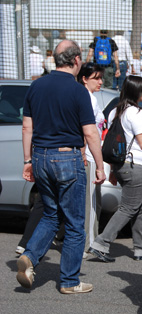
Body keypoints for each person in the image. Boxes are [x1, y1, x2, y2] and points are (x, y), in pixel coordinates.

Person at [16, 40, 106, 294]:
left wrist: (27, 160)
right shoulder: (78, 91)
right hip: (68, 157)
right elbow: (90, 132)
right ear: (77, 60)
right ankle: (69, 280)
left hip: (41, 157)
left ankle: (30, 257)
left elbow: (27, 127)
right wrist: (99, 165)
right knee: (76, 222)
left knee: (50, 214)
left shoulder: (36, 85)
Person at [89, 76, 142, 262]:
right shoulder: (135, 113)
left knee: (139, 208)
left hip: (122, 165)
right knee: (130, 207)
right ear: (137, 92)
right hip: (136, 165)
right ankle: (101, 243)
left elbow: (115, 142)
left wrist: (114, 170)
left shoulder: (116, 111)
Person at [77, 63, 106, 257]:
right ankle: (87, 244)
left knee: (94, 203)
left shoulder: (91, 98)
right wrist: (83, 153)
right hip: (88, 156)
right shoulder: (85, 97)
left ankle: (89, 241)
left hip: (92, 155)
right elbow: (85, 130)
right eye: (96, 78)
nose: (100, 82)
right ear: (84, 78)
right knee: (89, 205)